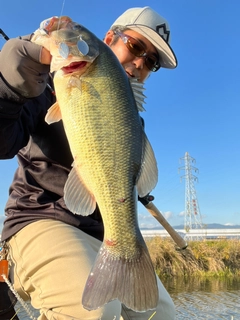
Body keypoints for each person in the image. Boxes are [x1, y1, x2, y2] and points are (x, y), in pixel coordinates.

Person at [0, 6, 177, 320]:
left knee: (160, 314)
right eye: (136, 47)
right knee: (91, 311)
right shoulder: (44, 87)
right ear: (109, 38)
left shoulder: (132, 122)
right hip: (39, 218)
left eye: (151, 62)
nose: (139, 63)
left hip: (99, 234)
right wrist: (8, 87)